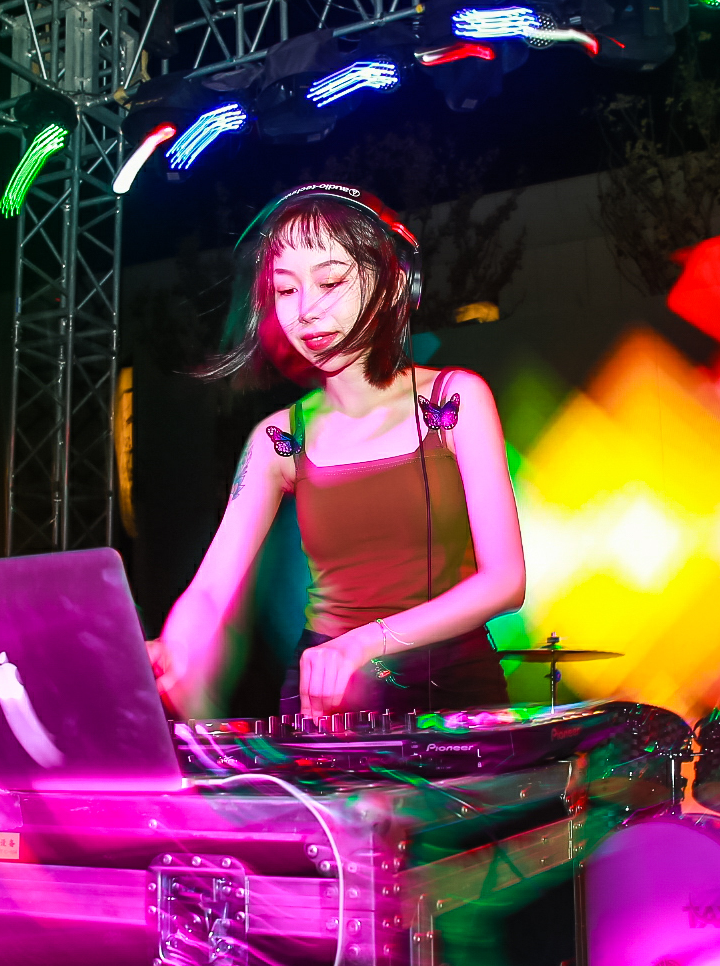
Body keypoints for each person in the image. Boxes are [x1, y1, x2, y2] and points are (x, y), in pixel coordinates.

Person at [146, 184, 526, 719]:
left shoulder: (455, 399)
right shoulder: (279, 438)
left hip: (456, 694)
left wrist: (363, 642)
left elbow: (505, 582)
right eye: (285, 289)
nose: (304, 311)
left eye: (330, 281)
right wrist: (175, 648)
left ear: (396, 284)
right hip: (327, 701)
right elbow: (211, 589)